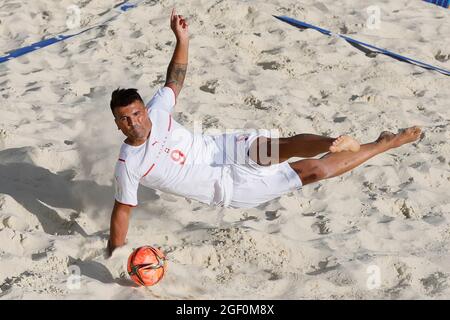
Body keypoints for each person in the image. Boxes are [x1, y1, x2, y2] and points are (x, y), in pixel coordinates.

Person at [106, 9, 422, 256]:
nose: (134, 122)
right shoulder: (128, 164)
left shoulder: (158, 110)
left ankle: (334, 142)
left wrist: (182, 40)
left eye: (136, 113)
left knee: (273, 148)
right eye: (125, 119)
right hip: (228, 189)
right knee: (315, 171)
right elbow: (122, 212)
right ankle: (383, 143)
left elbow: (174, 81)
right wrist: (115, 253)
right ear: (118, 123)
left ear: (144, 110)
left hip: (223, 148)